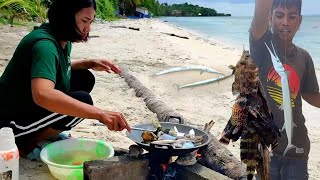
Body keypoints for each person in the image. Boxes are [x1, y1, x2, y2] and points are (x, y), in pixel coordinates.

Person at [0, 0, 131, 160]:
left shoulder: (61, 37)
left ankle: (42, 131)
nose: (88, 29)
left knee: (85, 78)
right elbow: (42, 94)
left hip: (26, 101)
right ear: (66, 17)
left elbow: (56, 65)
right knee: (85, 101)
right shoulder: (45, 45)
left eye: (90, 22)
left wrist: (88, 63)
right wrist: (100, 114)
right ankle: (26, 142)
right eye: (84, 21)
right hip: (8, 123)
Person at [250, 0, 320, 179]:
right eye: (279, 15)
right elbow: (260, 13)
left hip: (297, 147)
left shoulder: (304, 57)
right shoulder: (262, 47)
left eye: (292, 16)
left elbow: (310, 94)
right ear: (270, 17)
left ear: (300, 21)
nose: (285, 22)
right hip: (266, 148)